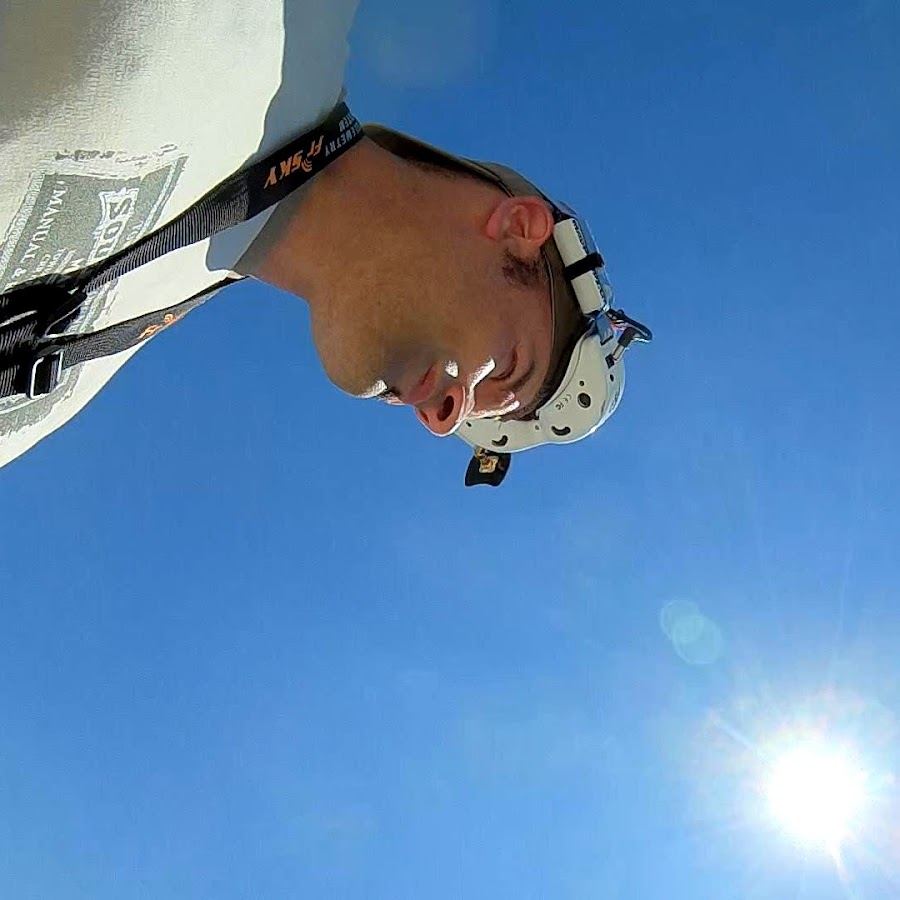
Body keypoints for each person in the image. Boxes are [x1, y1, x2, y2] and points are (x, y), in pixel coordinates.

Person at [0, 0, 649, 485]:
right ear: (518, 228)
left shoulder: (61, 389)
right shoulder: (290, 18)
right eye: (506, 366)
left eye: (466, 417)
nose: (442, 417)